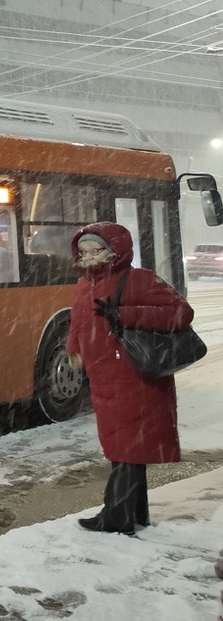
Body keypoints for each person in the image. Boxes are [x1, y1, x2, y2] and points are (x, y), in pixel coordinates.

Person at [66, 222, 193, 535]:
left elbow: (181, 312)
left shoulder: (138, 279)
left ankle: (116, 516)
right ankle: (135, 516)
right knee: (122, 448)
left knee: (127, 449)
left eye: (97, 250)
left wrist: (126, 314)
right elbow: (78, 322)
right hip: (104, 378)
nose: (90, 257)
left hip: (135, 378)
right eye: (84, 251)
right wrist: (73, 349)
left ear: (115, 251)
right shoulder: (84, 285)